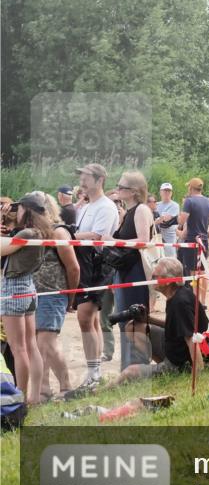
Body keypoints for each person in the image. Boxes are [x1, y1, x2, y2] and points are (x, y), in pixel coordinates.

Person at [112, 258, 209, 384]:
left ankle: (99, 392)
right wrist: (149, 320)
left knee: (128, 372)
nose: (151, 279)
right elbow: (176, 327)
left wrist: (199, 376)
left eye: (155, 276)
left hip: (182, 361)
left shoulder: (180, 303)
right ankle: (160, 366)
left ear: (167, 281)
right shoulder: (177, 294)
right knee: (133, 327)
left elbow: (192, 339)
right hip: (176, 348)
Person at [71, 163, 120, 389]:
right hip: (86, 262)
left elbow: (98, 236)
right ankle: (95, 372)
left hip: (97, 264)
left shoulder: (106, 206)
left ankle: (93, 373)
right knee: (90, 320)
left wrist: (68, 235)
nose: (82, 180)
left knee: (85, 317)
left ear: (100, 180)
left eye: (86, 176)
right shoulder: (87, 206)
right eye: (81, 176)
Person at [1, 193, 50, 404]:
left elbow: (2, 249)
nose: (16, 211)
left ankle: (20, 398)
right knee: (31, 345)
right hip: (28, 286)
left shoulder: (28, 232)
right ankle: (33, 397)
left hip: (14, 287)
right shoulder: (39, 231)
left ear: (27, 210)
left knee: (18, 348)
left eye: (19, 208)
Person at [110, 170, 155, 369]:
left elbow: (143, 241)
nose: (117, 189)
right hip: (125, 271)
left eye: (122, 187)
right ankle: (129, 366)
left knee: (134, 320)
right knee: (124, 320)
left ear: (134, 191)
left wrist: (114, 241)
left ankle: (137, 366)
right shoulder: (128, 212)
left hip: (137, 270)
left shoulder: (141, 210)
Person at [35, 194, 78, 400]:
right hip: (34, 295)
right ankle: (54, 387)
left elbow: (73, 268)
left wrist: (70, 297)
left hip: (53, 294)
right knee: (42, 344)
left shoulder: (59, 232)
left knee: (45, 343)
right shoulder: (34, 233)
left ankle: (56, 387)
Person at [176, 177, 209, 277]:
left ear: (190, 188)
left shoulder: (189, 201)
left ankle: (194, 288)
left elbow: (181, 221)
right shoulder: (208, 201)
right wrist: (207, 236)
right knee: (202, 272)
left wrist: (178, 220)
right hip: (203, 241)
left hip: (192, 241)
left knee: (192, 273)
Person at [154, 183, 180, 258]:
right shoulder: (156, 204)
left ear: (171, 193)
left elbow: (166, 222)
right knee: (157, 258)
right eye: (165, 190)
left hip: (169, 237)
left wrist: (156, 220)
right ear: (160, 192)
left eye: (169, 191)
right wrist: (159, 219)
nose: (167, 192)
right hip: (157, 236)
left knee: (170, 258)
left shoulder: (175, 205)